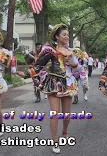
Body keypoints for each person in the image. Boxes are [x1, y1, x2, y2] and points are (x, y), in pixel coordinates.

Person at [15, 24, 83, 154]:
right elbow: (39, 65)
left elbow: (78, 68)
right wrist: (26, 74)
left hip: (68, 83)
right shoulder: (50, 50)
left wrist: (72, 59)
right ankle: (55, 141)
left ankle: (64, 131)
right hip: (53, 82)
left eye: (68, 34)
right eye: (64, 34)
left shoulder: (71, 52)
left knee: (67, 115)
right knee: (55, 113)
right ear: (57, 37)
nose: (67, 37)